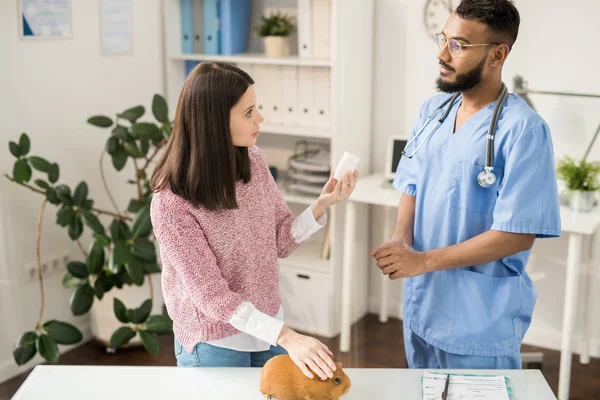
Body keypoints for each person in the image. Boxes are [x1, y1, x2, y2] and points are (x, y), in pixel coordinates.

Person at [371, 0, 561, 369]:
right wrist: (400, 238)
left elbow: (517, 234)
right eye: (444, 39)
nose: (442, 53)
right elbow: (411, 182)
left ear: (497, 54)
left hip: (478, 318)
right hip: (423, 303)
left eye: (458, 45)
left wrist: (423, 260)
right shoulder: (432, 111)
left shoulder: (524, 130)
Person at [150, 62, 357, 379]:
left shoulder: (253, 161)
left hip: (267, 330)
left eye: (256, 108)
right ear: (215, 122)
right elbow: (212, 298)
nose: (260, 118)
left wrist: (322, 204)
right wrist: (287, 336)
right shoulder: (171, 203)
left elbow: (280, 241)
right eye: (248, 112)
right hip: (214, 343)